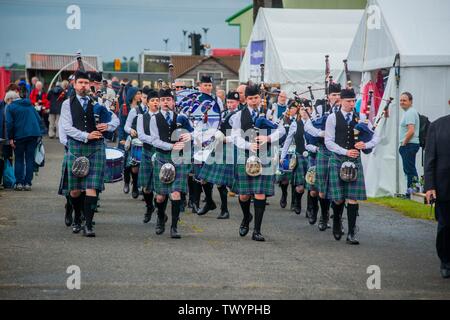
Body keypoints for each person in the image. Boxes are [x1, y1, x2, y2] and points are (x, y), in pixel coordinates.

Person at [59, 70, 116, 237]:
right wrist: (86, 135)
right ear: (74, 85)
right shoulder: (66, 104)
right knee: (75, 190)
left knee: (92, 187)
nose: (84, 86)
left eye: (86, 83)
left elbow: (115, 119)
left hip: (96, 148)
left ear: (90, 85)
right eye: (80, 83)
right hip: (76, 146)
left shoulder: (98, 102)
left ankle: (89, 225)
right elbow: (67, 127)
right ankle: (77, 218)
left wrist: (109, 126)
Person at [230, 84, 286, 241]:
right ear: (245, 99)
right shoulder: (239, 115)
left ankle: (257, 230)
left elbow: (281, 130)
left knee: (260, 193)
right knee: (244, 196)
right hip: (246, 154)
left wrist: (268, 138)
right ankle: (246, 217)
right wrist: (248, 145)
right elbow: (235, 136)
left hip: (264, 155)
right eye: (250, 98)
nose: (254, 101)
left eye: (256, 98)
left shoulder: (269, 113)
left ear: (260, 98)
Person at [325, 88, 379, 245]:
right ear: (341, 101)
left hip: (354, 161)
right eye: (348, 101)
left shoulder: (361, 118)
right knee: (338, 198)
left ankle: (351, 233)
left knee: (352, 198)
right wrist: (345, 151)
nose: (351, 104)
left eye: (353, 101)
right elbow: (328, 141)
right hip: (338, 159)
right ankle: (336, 222)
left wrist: (365, 144)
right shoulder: (332, 118)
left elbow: (377, 137)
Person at [149, 89, 192, 238]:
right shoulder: (154, 118)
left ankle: (174, 227)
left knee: (175, 193)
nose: (166, 102)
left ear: (173, 101)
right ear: (159, 102)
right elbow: (154, 140)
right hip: (162, 156)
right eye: (163, 99)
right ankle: (161, 217)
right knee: (160, 197)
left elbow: (192, 132)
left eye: (168, 99)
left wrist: (189, 136)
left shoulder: (181, 117)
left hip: (178, 158)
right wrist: (171, 146)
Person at [304, 82, 342, 232]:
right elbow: (308, 126)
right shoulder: (320, 109)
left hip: (340, 151)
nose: (337, 98)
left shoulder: (345, 109)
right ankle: (324, 215)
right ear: (328, 97)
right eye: (334, 95)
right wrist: (320, 133)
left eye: (339, 95)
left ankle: (337, 219)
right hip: (323, 150)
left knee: (339, 187)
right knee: (320, 188)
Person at [197, 91, 240, 219]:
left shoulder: (239, 115)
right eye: (228, 102)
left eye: (233, 102)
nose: (230, 104)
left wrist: (226, 138)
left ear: (238, 102)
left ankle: (225, 210)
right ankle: (209, 202)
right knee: (203, 178)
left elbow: (240, 134)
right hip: (217, 146)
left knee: (220, 182)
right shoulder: (223, 113)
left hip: (229, 148)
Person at [424, 113, 450, 279]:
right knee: (446, 226)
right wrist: (430, 186)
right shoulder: (437, 125)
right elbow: (430, 158)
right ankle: (446, 261)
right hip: (444, 185)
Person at [6, 90, 45, 191]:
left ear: (10, 99)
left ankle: (19, 183)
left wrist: (10, 138)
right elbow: (39, 119)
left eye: (7, 101)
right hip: (33, 135)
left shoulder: (11, 107)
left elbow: (9, 123)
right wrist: (40, 133)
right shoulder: (29, 105)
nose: (7, 103)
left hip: (19, 136)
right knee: (29, 159)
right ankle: (28, 183)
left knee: (18, 159)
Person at [136, 88, 160, 223]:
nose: (155, 102)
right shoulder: (141, 117)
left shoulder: (163, 117)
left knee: (160, 184)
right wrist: (156, 140)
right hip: (147, 151)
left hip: (160, 152)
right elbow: (141, 135)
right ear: (148, 103)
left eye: (157, 100)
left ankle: (159, 208)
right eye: (153, 100)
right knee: (146, 186)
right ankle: (149, 206)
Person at [398, 92, 420, 198]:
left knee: (410, 170)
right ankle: (411, 193)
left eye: (404, 100)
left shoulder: (410, 112)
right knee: (409, 169)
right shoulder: (408, 112)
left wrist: (403, 143)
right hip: (409, 145)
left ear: (410, 101)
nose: (402, 102)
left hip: (409, 145)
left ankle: (411, 193)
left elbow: (411, 131)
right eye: (401, 100)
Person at [123, 87, 144, 199]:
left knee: (138, 165)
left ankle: (139, 186)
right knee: (128, 164)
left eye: (141, 94)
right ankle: (128, 182)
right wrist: (129, 132)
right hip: (130, 139)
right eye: (138, 93)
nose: (139, 96)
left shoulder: (144, 109)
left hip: (143, 140)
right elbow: (124, 124)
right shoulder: (128, 108)